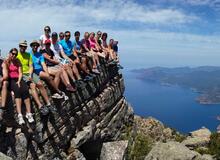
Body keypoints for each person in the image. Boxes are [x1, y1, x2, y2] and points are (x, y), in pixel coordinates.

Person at [6, 48, 34, 125]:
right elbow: (6, 73)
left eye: (15, 54)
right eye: (13, 53)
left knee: (25, 90)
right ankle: (20, 115)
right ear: (10, 53)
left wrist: (18, 81)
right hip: (11, 79)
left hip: (18, 78)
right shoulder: (7, 61)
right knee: (17, 91)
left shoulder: (17, 61)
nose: (14, 55)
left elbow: (20, 72)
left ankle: (29, 113)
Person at [0, 57, 8, 123]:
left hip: (2, 80)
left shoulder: (2, 63)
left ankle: (2, 108)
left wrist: (1, 80)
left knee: (5, 83)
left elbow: (5, 75)